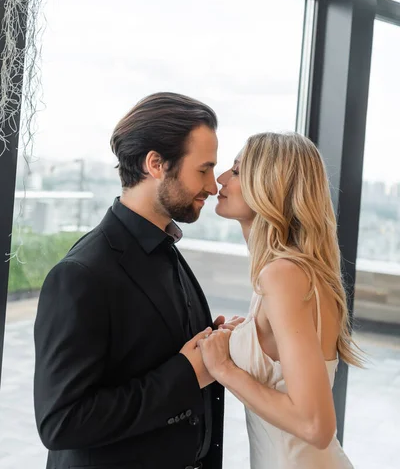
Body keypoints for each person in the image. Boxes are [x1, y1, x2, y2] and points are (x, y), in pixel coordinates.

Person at [34, 92, 229, 469]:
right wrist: (187, 373)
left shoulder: (167, 247)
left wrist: (214, 346)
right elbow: (61, 422)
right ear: (156, 164)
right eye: (203, 169)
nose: (212, 186)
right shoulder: (80, 275)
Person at [198, 132, 361, 469]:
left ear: (271, 186)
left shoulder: (283, 274)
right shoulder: (288, 272)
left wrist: (224, 368)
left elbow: (315, 426)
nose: (221, 178)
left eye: (238, 170)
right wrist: (247, 338)